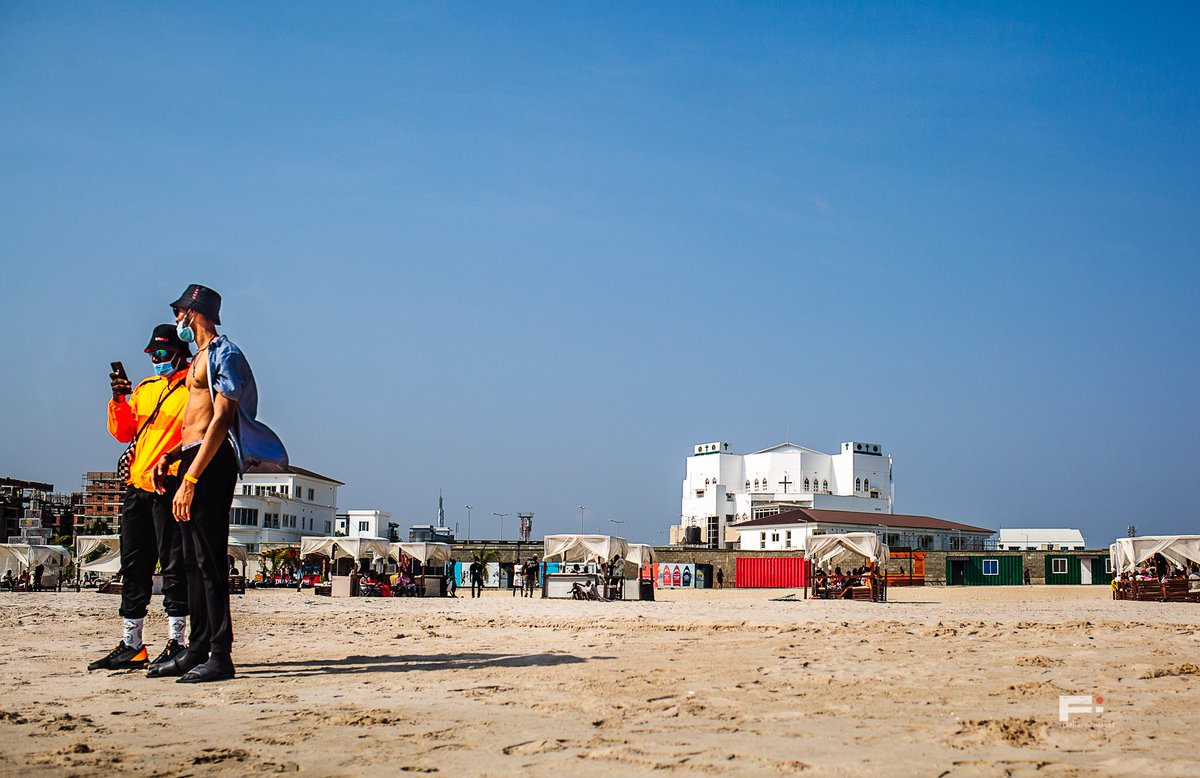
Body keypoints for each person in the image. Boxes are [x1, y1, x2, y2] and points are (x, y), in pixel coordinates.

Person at [148, 284, 287, 684]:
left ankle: (221, 653)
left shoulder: (226, 354)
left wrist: (192, 477)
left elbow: (221, 420)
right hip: (192, 456)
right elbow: (196, 422)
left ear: (194, 313)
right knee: (191, 561)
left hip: (213, 462)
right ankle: (197, 648)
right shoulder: (198, 358)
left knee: (209, 561)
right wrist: (172, 455)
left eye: (180, 313)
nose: (177, 320)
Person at [88, 324, 192, 673]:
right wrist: (119, 400)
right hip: (138, 488)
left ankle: (178, 642)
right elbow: (123, 433)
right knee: (134, 567)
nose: (156, 360)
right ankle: (132, 644)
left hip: (170, 486)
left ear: (180, 353)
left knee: (174, 566)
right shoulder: (146, 389)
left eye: (162, 354)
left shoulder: (194, 387)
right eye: (152, 354)